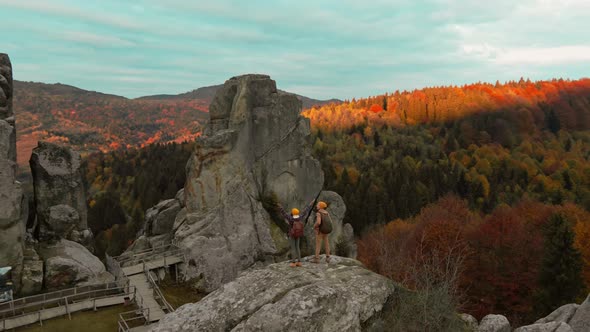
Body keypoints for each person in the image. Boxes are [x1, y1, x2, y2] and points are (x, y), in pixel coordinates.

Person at [277, 200, 314, 267]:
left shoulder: (290, 219)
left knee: (293, 248)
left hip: (292, 234)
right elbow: (305, 211)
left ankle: (293, 262)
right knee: (297, 248)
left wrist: (280, 207)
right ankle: (299, 261)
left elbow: (284, 214)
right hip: (298, 234)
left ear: (293, 213)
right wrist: (310, 204)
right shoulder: (300, 217)